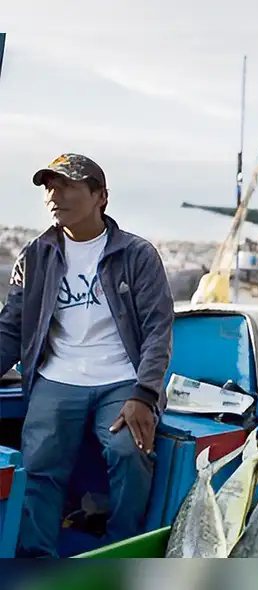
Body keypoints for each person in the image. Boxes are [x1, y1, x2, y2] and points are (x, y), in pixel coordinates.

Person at [0, 154, 174, 558]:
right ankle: (36, 561)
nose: (55, 195)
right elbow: (11, 326)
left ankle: (119, 553)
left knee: (130, 454)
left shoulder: (137, 255)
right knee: (40, 464)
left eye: (68, 186)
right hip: (57, 377)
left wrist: (144, 393)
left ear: (101, 197)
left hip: (121, 379)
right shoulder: (35, 256)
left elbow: (157, 330)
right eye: (49, 187)